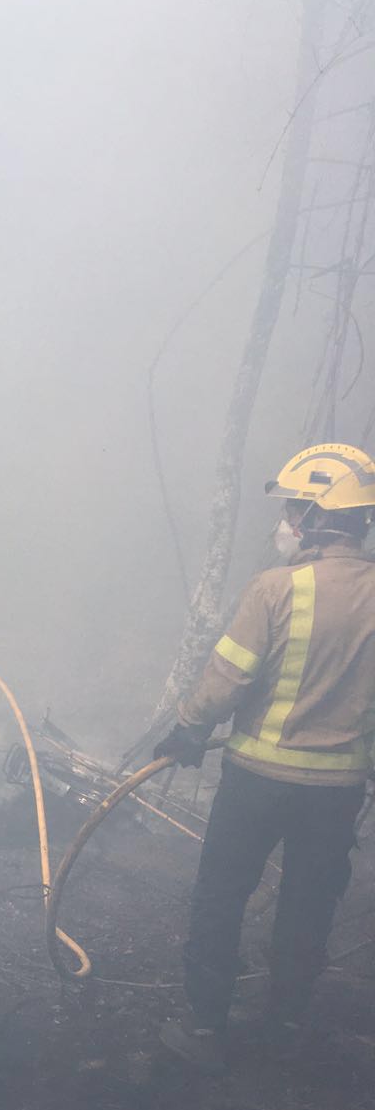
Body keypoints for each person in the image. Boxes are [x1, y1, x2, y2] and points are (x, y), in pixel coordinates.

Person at [157, 444, 375, 1074]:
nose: (285, 521)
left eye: (291, 508)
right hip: (338, 791)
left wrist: (187, 731)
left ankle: (203, 1027)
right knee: (308, 905)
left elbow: (227, 680)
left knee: (221, 897)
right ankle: (282, 1029)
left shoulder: (276, 588)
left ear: (313, 513)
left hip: (257, 781)